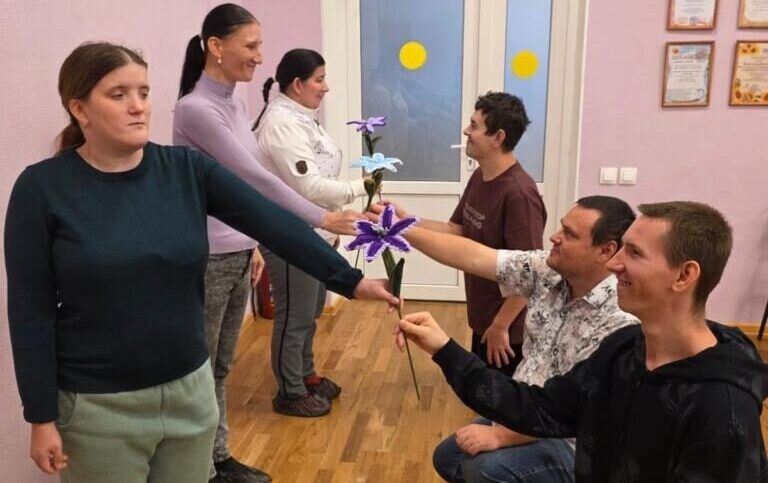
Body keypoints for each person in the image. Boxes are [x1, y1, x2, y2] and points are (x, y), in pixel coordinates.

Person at [4, 41, 397, 483]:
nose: (138, 106)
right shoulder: (42, 189)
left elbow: (272, 222)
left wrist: (350, 281)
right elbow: (30, 312)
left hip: (189, 394)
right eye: (118, 95)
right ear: (80, 108)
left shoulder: (185, 170)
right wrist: (40, 415)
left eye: (144, 93)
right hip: (98, 408)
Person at [398, 201, 768, 482]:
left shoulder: (723, 411)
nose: (615, 265)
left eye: (634, 253)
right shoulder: (624, 350)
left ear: (684, 276)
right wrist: (443, 349)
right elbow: (539, 408)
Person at [172, 5, 368, 481]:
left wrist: (253, 243)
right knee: (203, 370)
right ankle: (205, 465)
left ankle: (218, 458)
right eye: (252, 45)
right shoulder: (196, 109)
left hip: (238, 252)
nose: (261, 56)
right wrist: (321, 216)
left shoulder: (234, 104)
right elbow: (252, 179)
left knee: (221, 366)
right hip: (210, 258)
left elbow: (242, 189)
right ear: (216, 46)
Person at [402, 195, 637, 482]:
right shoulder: (549, 270)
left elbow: (576, 414)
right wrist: (399, 230)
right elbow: (474, 256)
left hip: (571, 442)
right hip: (526, 406)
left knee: (484, 469)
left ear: (606, 250)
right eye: (561, 227)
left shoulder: (618, 321)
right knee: (449, 459)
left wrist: (501, 436)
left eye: (569, 234)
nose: (554, 237)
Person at [377, 92, 546, 377]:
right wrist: (404, 219)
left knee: (499, 399)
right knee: (479, 392)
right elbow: (455, 230)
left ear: (498, 137)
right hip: (484, 319)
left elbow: (530, 274)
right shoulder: (480, 177)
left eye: (474, 125)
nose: (466, 131)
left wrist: (501, 326)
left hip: (508, 332)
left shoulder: (519, 194)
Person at [252, 49, 368, 417]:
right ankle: (290, 391)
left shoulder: (301, 118)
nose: (326, 87)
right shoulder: (281, 124)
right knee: (294, 315)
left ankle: (305, 374)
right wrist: (360, 187)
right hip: (289, 234)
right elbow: (309, 186)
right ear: (297, 84)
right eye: (319, 79)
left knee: (310, 310)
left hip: (312, 231)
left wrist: (332, 224)